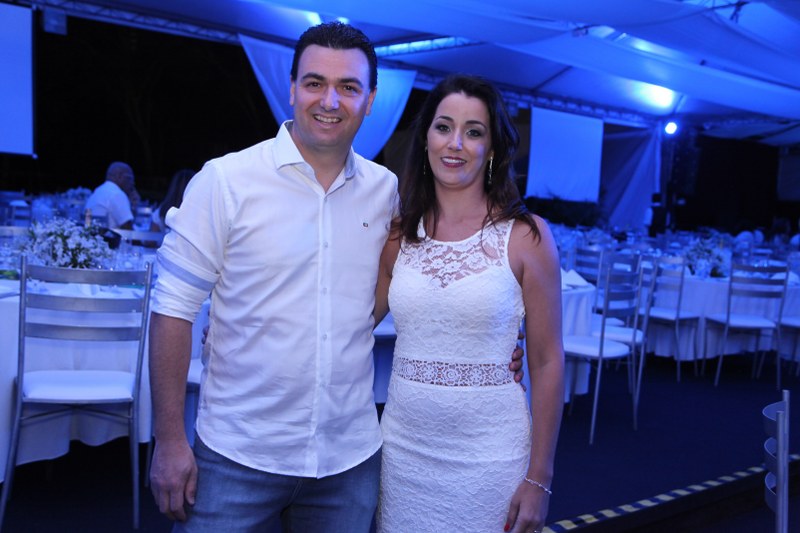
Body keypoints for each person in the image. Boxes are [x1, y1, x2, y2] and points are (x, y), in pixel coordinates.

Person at [148, 23, 525, 532]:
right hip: (239, 454)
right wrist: (170, 439)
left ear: (370, 100)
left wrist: (489, 343)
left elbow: (423, 284)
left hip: (348, 463)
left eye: (348, 87)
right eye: (315, 83)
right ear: (292, 89)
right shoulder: (226, 181)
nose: (330, 101)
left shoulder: (387, 192)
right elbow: (172, 308)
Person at [373, 75, 565, 533]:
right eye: (444, 127)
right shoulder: (398, 235)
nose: (455, 143)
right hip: (401, 456)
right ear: (426, 139)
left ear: (492, 148)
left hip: (490, 460)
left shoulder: (527, 237)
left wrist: (539, 478)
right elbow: (349, 323)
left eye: (473, 131)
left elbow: (546, 361)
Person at [84, 161, 138, 229]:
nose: (133, 183)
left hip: (92, 235)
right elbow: (128, 229)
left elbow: (87, 224)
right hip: (109, 236)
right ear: (119, 176)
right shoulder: (117, 194)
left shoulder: (97, 192)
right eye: (130, 178)